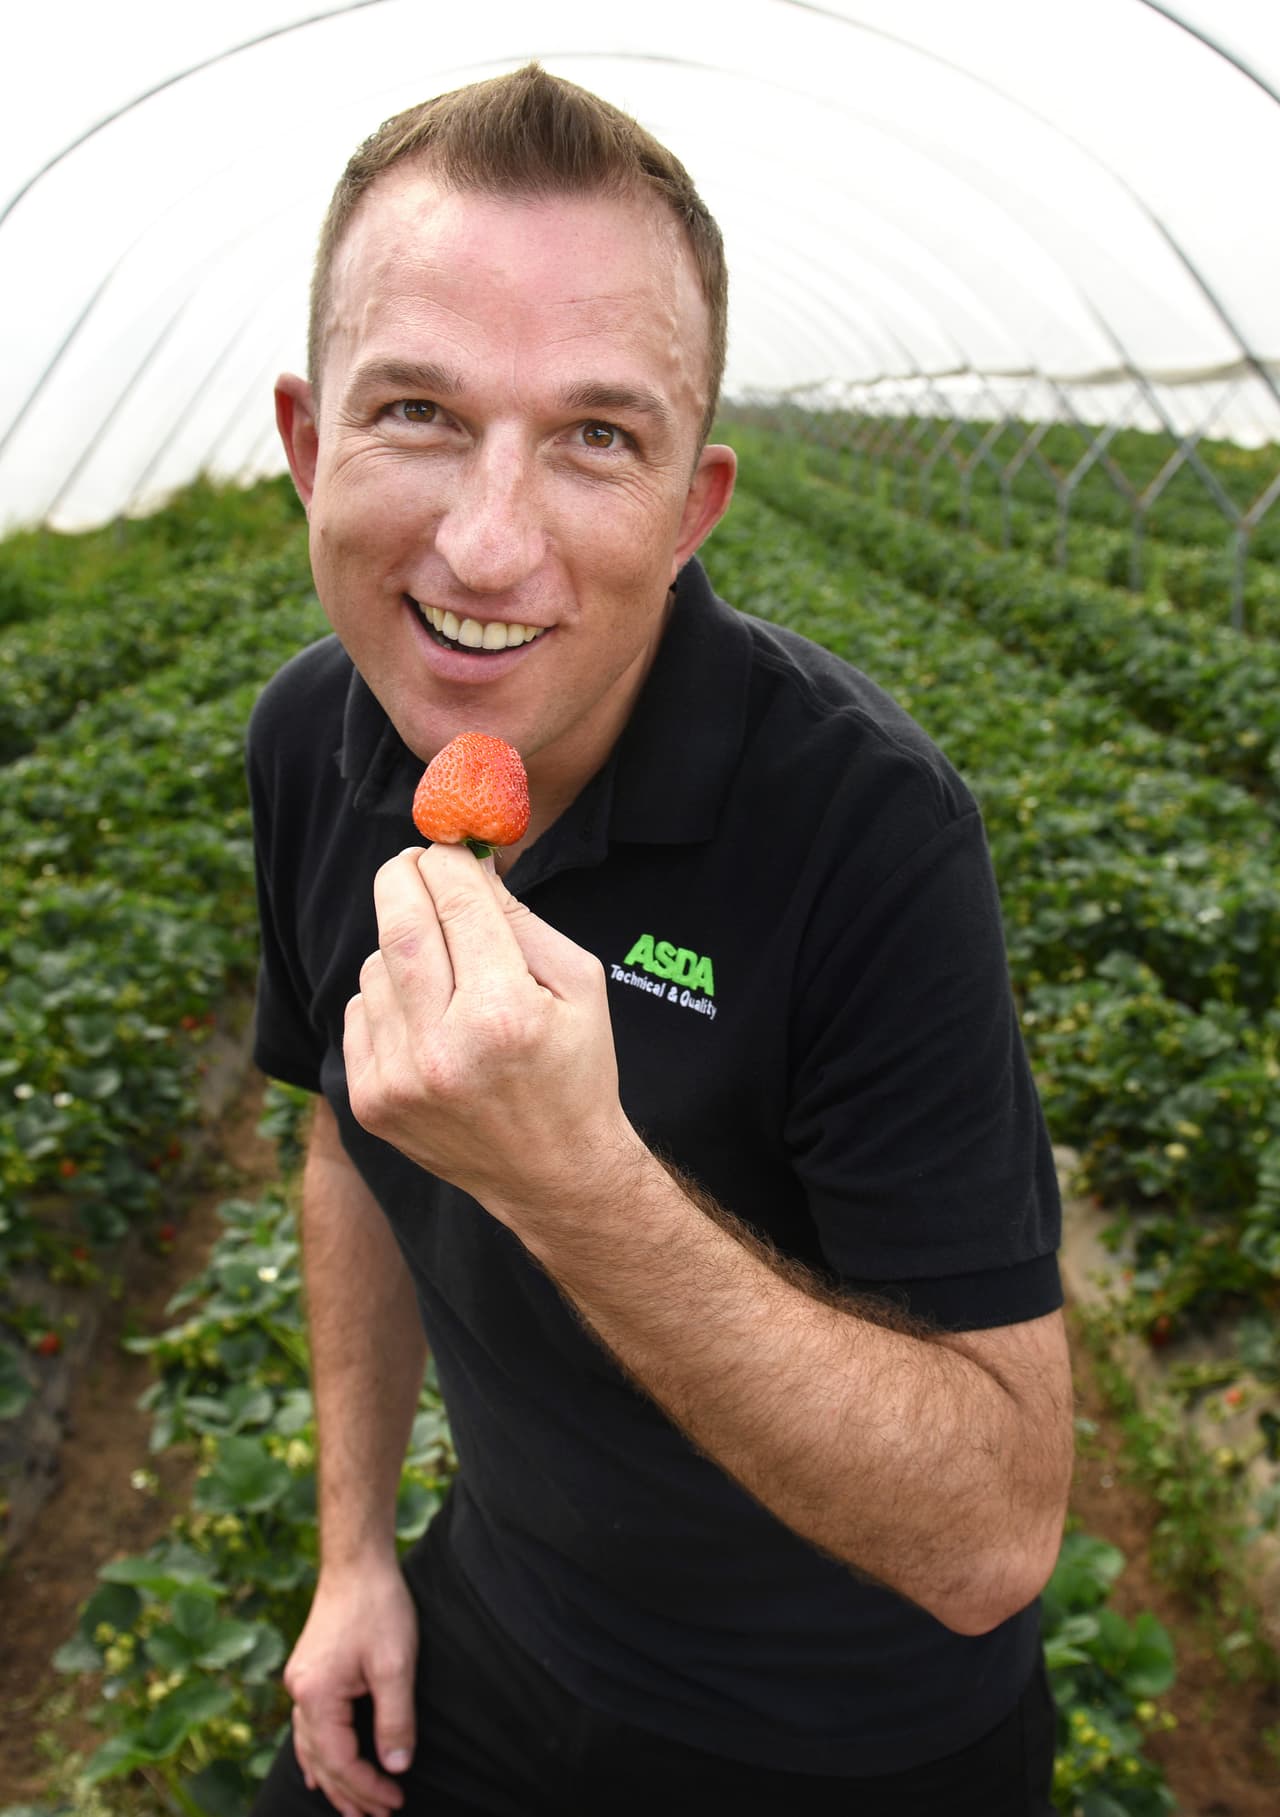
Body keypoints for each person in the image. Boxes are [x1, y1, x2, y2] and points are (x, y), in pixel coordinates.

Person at [248, 63, 1074, 1817]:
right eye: (415, 411)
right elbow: (342, 1130)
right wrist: (353, 1552)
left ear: (694, 508)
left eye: (595, 436)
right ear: (308, 445)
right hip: (498, 1610)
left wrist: (577, 1181)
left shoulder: (869, 831)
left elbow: (997, 1530)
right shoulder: (308, 738)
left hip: (832, 1736)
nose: (487, 540)